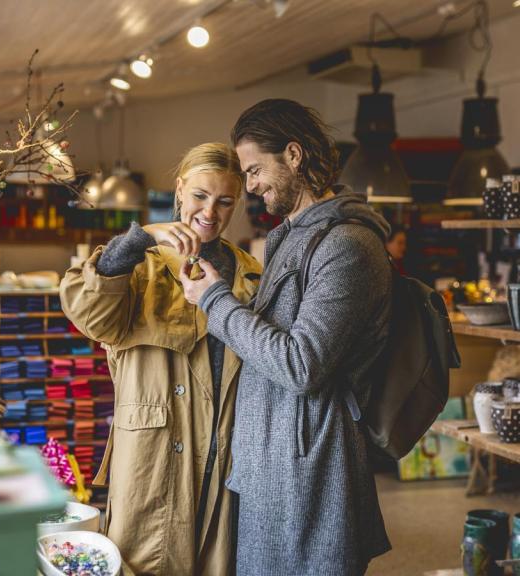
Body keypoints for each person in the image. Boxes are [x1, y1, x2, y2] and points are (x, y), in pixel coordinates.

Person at [180, 100, 392, 576]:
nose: (250, 185)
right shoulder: (291, 236)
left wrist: (215, 299)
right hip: (269, 470)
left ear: (293, 155)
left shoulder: (348, 245)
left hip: (311, 474)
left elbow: (302, 365)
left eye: (255, 170)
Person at [60, 143, 261, 576]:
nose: (210, 211)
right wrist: (142, 236)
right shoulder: (141, 265)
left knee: (220, 561)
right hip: (155, 452)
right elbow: (90, 313)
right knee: (148, 560)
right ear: (179, 190)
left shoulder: (251, 274)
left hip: (226, 451)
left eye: (225, 201)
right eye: (200, 196)